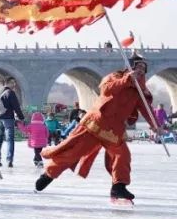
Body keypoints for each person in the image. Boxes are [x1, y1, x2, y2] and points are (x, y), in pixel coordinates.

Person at [36, 55, 158, 203]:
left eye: (143, 70)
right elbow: (106, 90)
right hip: (95, 124)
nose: (140, 71)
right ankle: (48, 175)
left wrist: (155, 125)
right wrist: (126, 80)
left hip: (114, 131)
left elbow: (146, 108)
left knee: (122, 155)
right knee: (73, 153)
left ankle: (118, 186)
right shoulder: (115, 77)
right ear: (130, 68)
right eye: (138, 68)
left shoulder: (139, 91)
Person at [0, 79, 24, 167]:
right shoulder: (10, 93)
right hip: (8, 119)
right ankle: (9, 160)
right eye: (13, 83)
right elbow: (16, 107)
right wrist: (21, 117)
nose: (14, 84)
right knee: (10, 139)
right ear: (8, 83)